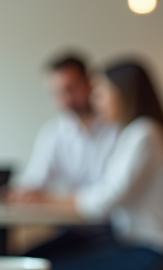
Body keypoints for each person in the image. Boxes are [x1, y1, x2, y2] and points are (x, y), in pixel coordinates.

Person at [26, 59, 163, 270]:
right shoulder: (136, 133)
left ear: (122, 93)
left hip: (151, 252)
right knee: (45, 262)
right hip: (138, 246)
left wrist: (45, 199)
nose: (95, 100)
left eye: (101, 92)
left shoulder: (143, 134)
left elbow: (102, 201)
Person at [9, 52, 119, 200]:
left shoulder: (118, 127)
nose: (65, 101)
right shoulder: (53, 133)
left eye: (71, 89)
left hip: (116, 219)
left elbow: (113, 191)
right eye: (57, 93)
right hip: (70, 219)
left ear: (89, 83)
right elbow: (34, 181)